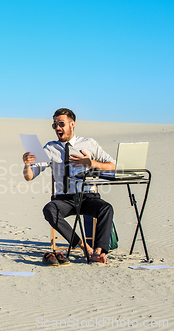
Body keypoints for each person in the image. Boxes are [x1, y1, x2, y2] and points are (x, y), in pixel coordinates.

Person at [22, 108, 115, 264]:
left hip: (87, 196)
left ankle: (98, 252)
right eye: (55, 125)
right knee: (49, 210)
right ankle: (83, 245)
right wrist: (27, 165)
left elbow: (113, 165)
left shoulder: (89, 143)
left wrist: (91, 163)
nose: (58, 128)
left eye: (61, 124)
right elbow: (29, 176)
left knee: (106, 208)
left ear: (72, 124)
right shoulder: (50, 148)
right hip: (64, 199)